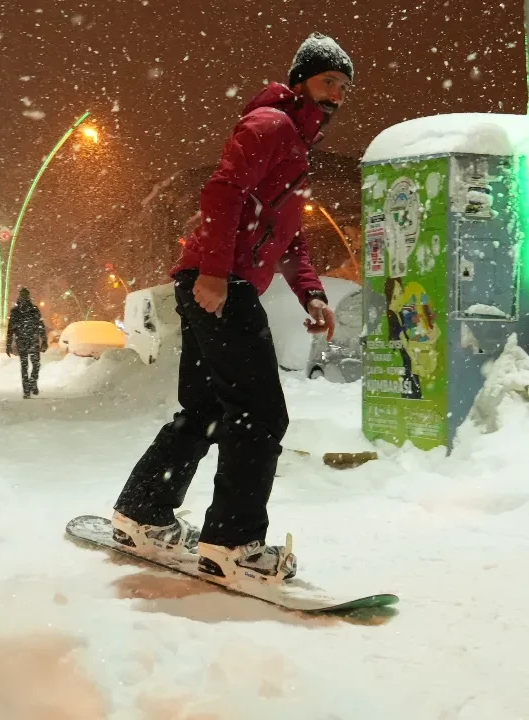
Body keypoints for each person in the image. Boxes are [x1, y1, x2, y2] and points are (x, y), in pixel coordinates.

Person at [110, 33, 352, 586]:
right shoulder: (272, 127)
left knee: (207, 411)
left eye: (342, 86)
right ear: (300, 82)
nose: (335, 94)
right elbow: (222, 193)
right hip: (222, 284)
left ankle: (142, 513)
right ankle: (233, 544)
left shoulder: (295, 146)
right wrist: (217, 273)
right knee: (260, 413)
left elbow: (289, 238)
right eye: (326, 81)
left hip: (216, 280)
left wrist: (311, 292)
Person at [6, 288, 48, 398]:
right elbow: (41, 326)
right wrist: (44, 340)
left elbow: (10, 329)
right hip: (32, 340)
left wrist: (8, 344)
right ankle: (32, 383)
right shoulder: (34, 309)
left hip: (22, 341)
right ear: (28, 297)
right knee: (35, 364)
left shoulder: (15, 311)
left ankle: (26, 390)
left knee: (24, 366)